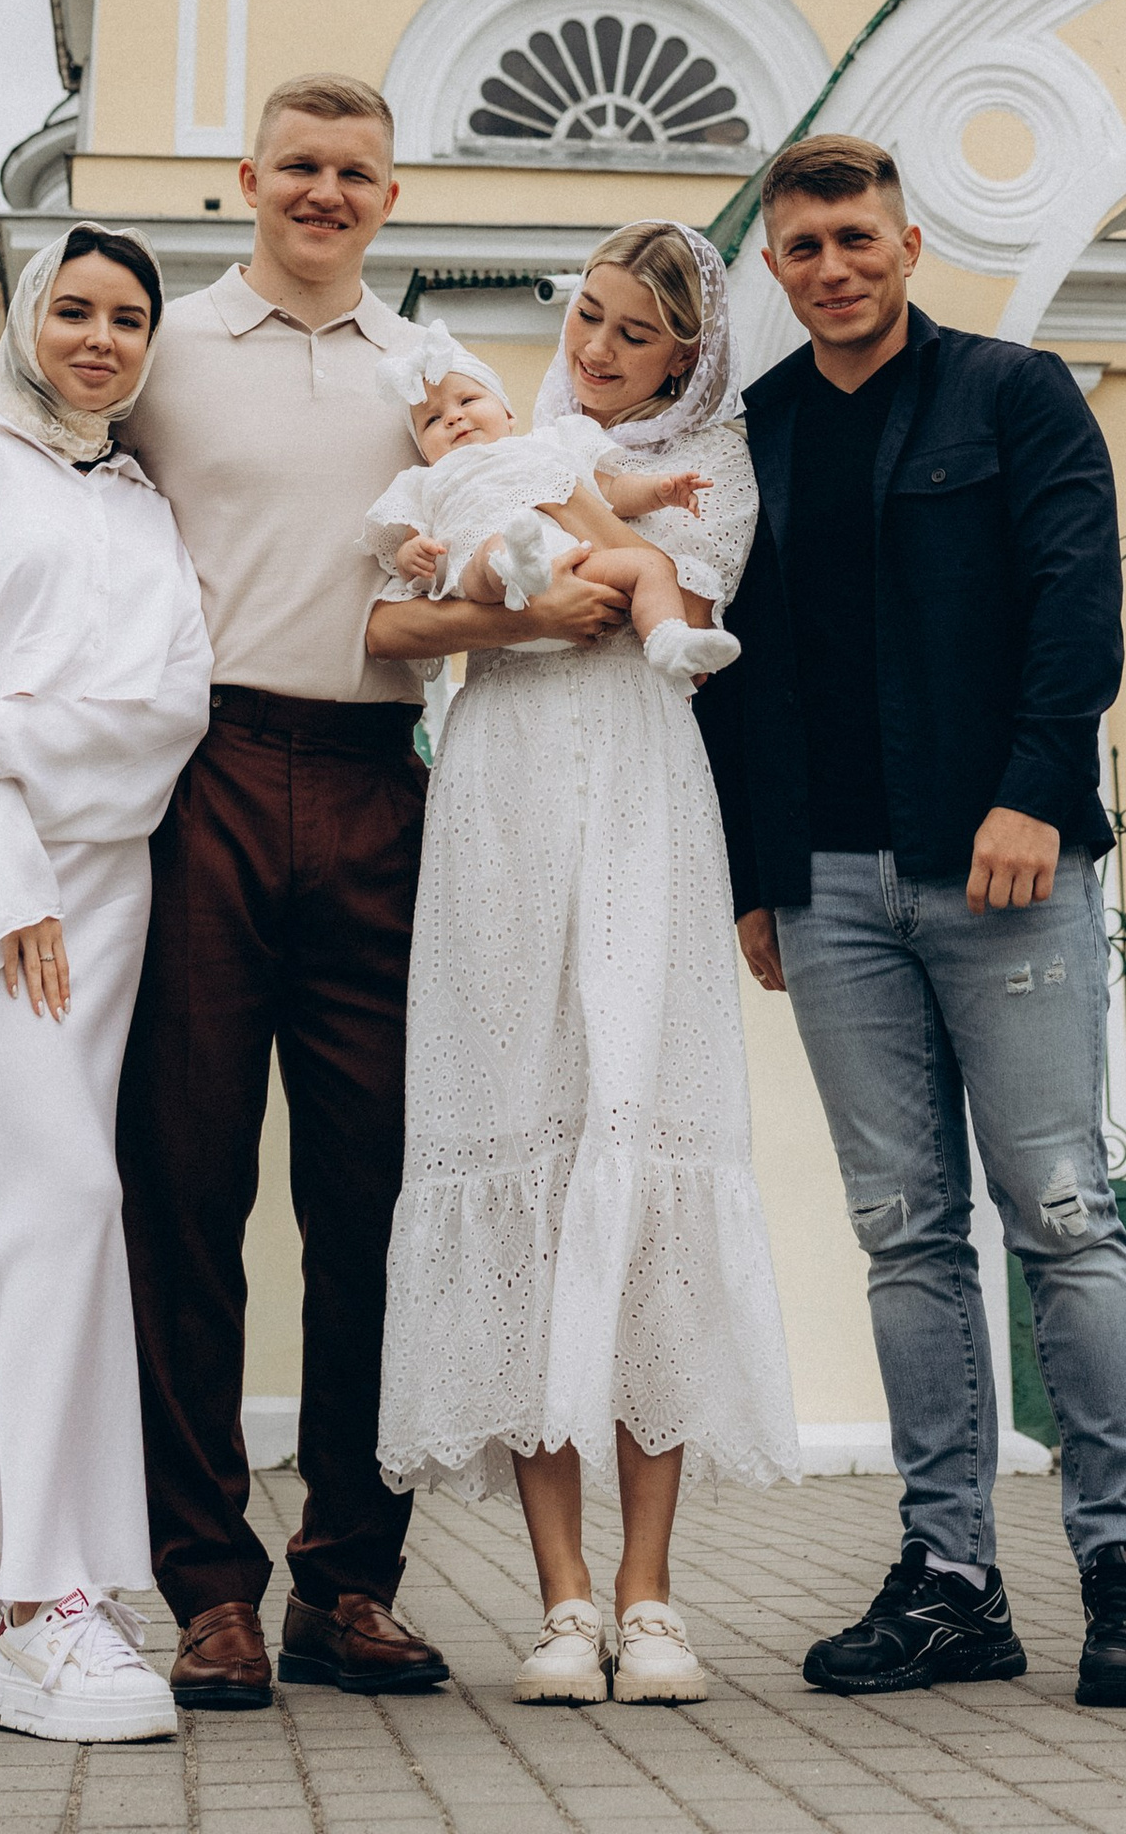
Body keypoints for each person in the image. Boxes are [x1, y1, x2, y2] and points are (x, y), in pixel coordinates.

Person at [0, 80, 622, 1717]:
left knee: (374, 1209)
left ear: (390, 195)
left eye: (356, 173)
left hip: (377, 785)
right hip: (201, 793)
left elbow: (529, 530)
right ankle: (203, 1589)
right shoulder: (165, 351)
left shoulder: (433, 369)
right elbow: (27, 461)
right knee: (181, 1194)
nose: (327, 192)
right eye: (301, 167)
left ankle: (350, 1583)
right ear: (250, 181)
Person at [696, 133, 1126, 1712]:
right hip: (831, 886)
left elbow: (1075, 603)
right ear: (774, 271)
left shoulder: (1015, 395)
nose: (831, 268)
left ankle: (1125, 1569)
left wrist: (1036, 789)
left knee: (1058, 1211)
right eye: (802, 250)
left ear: (907, 244)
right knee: (905, 1232)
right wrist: (754, 878)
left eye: (855, 239)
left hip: (1006, 868)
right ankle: (953, 1578)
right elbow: (735, 672)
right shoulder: (754, 432)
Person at [369, 225, 799, 1708]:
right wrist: (510, 603)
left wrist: (529, 592)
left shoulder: (717, 468)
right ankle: (560, 1600)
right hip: (498, 810)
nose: (601, 349)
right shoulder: (516, 443)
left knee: (645, 1156)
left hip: (639, 803)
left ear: (689, 350)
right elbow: (400, 618)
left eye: (635, 332)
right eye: (591, 321)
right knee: (530, 1162)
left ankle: (651, 1593)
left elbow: (633, 597)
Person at [0, 226, 212, 1744]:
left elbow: (173, 707)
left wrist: (26, 733)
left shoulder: (142, 503)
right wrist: (1, 863)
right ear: (24, 318)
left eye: (128, 318)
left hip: (108, 887)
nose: (99, 337)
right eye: (72, 309)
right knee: (66, 1199)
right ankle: (40, 1598)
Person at [370, 322, 736, 691]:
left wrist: (660, 491)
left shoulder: (547, 445)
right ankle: (519, 568)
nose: (453, 417)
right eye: (432, 420)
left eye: (467, 401)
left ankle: (666, 639)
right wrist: (410, 555)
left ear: (509, 415)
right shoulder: (425, 481)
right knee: (494, 549)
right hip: (486, 580)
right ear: (422, 449)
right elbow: (411, 546)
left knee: (650, 565)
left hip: (571, 568)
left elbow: (611, 491)